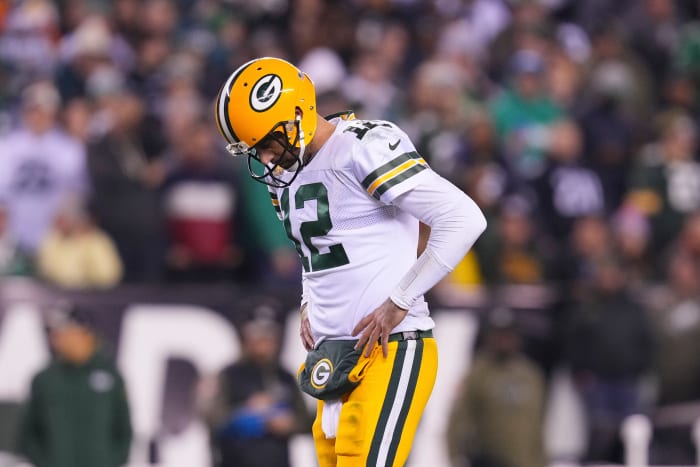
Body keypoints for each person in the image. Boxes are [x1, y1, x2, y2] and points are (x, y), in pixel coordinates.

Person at [213, 57, 487, 467]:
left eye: (268, 145)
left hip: (389, 350)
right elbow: (314, 247)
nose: (267, 160)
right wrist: (309, 299)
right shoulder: (283, 175)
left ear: (297, 116)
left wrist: (400, 301)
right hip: (333, 358)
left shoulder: (363, 146)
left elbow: (463, 218)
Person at [17, 302, 132, 467]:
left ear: (84, 333)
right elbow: (28, 434)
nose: (57, 338)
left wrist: (109, 462)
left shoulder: (111, 377)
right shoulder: (44, 379)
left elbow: (124, 431)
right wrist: (46, 462)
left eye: (64, 331)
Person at [199, 310, 313, 467]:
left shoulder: (284, 376)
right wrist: (245, 413)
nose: (265, 342)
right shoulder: (227, 375)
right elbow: (210, 418)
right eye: (258, 336)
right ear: (245, 339)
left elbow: (308, 421)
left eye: (270, 336)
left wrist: (289, 423)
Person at [446, 307, 546, 467]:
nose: (504, 340)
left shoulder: (530, 375)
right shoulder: (477, 373)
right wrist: (456, 458)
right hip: (488, 461)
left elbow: (537, 426)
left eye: (508, 334)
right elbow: (457, 422)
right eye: (499, 334)